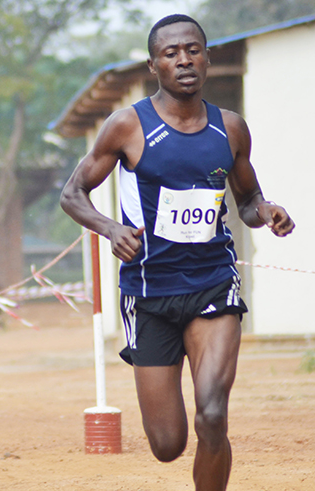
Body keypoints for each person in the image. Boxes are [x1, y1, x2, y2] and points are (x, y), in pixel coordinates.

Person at [60, 14, 294, 491]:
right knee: (167, 443)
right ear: (154, 65)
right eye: (171, 53)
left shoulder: (230, 129)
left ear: (207, 57)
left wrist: (266, 211)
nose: (184, 60)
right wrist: (109, 229)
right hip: (148, 293)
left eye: (193, 50)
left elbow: (247, 199)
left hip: (212, 283)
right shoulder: (127, 125)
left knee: (212, 413)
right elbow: (72, 193)